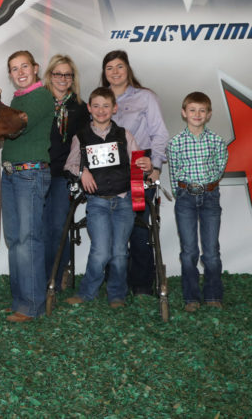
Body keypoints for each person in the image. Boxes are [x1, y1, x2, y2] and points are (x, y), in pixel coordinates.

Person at [63, 87, 152, 308]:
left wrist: (146, 165)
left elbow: (138, 161)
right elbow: (70, 165)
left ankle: (117, 295)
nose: (101, 110)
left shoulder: (124, 135)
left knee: (120, 251)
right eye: (96, 106)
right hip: (98, 201)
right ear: (89, 108)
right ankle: (87, 293)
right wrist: (82, 171)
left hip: (124, 200)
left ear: (114, 108)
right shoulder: (81, 137)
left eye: (106, 106)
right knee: (101, 250)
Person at [0, 51, 54, 322]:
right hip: (13, 174)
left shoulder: (41, 95)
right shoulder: (18, 99)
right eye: (14, 69)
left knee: (28, 241)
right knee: (15, 240)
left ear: (36, 68)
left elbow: (16, 126)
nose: (20, 72)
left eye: (24, 66)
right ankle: (21, 302)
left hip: (30, 173)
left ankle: (32, 306)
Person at [100, 50, 169, 297]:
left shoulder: (146, 97)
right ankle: (114, 283)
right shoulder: (99, 100)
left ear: (128, 69)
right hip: (106, 173)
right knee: (107, 230)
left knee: (139, 229)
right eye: (110, 67)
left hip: (138, 168)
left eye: (120, 66)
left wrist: (156, 165)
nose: (115, 72)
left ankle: (141, 285)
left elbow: (159, 134)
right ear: (104, 72)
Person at [167, 92, 228, 312]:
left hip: (211, 197)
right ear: (184, 113)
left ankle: (213, 295)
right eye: (192, 110)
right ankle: (191, 298)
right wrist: (180, 193)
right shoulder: (175, 143)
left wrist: (209, 187)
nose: (197, 114)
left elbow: (220, 167)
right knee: (189, 251)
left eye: (202, 110)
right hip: (185, 198)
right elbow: (174, 172)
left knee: (211, 251)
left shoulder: (217, 141)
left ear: (209, 114)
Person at [41, 55, 89, 290]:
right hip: (38, 173)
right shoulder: (38, 100)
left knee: (59, 227)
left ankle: (58, 273)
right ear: (50, 75)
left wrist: (81, 171)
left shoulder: (80, 107)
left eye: (67, 74)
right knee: (39, 228)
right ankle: (40, 277)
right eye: (57, 74)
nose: (62, 78)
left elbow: (84, 143)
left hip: (63, 176)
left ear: (72, 78)